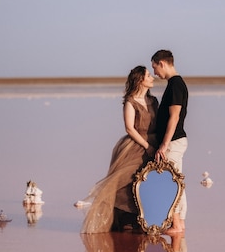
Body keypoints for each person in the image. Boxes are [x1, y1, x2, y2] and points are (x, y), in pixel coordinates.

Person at [80, 66, 158, 233]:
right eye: (149, 75)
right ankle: (125, 218)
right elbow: (129, 128)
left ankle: (144, 216)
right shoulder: (130, 102)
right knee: (127, 180)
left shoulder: (154, 101)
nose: (153, 78)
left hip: (154, 143)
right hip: (136, 145)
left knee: (148, 182)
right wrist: (147, 146)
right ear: (140, 80)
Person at [151, 50, 189, 234]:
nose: (155, 73)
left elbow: (174, 117)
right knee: (177, 181)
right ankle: (179, 223)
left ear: (162, 63)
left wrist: (164, 144)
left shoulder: (175, 85)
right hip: (176, 141)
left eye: (155, 67)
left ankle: (176, 224)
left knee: (171, 182)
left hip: (173, 142)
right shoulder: (175, 84)